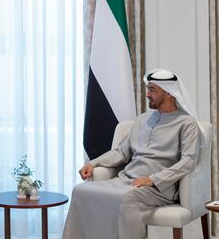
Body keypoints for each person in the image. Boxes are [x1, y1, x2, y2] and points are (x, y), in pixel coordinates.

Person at [63, 69, 204, 239]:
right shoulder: (142, 120)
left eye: (152, 90)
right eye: (147, 89)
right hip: (126, 180)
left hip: (158, 187)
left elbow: (189, 161)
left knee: (128, 198)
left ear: (168, 93)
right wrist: (93, 163)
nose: (147, 94)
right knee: (80, 191)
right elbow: (122, 152)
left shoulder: (187, 123)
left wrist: (153, 179)